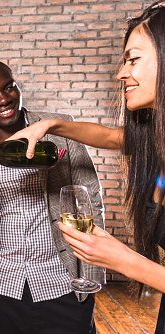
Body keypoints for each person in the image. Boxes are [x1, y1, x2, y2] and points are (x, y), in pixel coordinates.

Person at [9, 2, 165, 332]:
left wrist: (124, 260)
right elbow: (109, 136)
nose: (121, 73)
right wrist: (51, 124)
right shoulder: (155, 140)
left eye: (133, 59)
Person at [0, 59, 105, 334]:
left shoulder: (59, 130)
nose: (3, 99)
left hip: (62, 282)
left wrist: (92, 275)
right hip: (0, 286)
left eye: (8, 87)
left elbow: (90, 197)